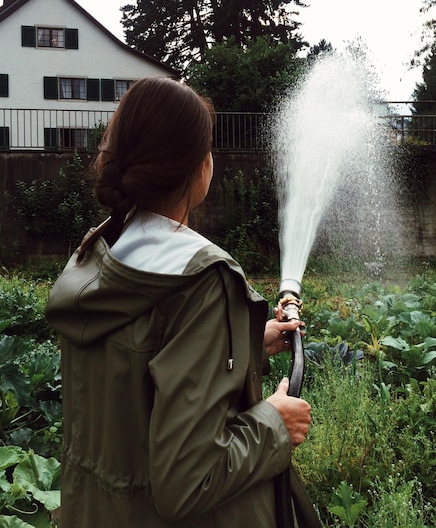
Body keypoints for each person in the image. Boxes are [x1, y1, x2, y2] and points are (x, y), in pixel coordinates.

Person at [46, 77, 318, 527]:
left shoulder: (100, 255)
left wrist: (248, 339)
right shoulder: (201, 280)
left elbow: (138, 369)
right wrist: (275, 423)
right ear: (198, 167)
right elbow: (190, 482)